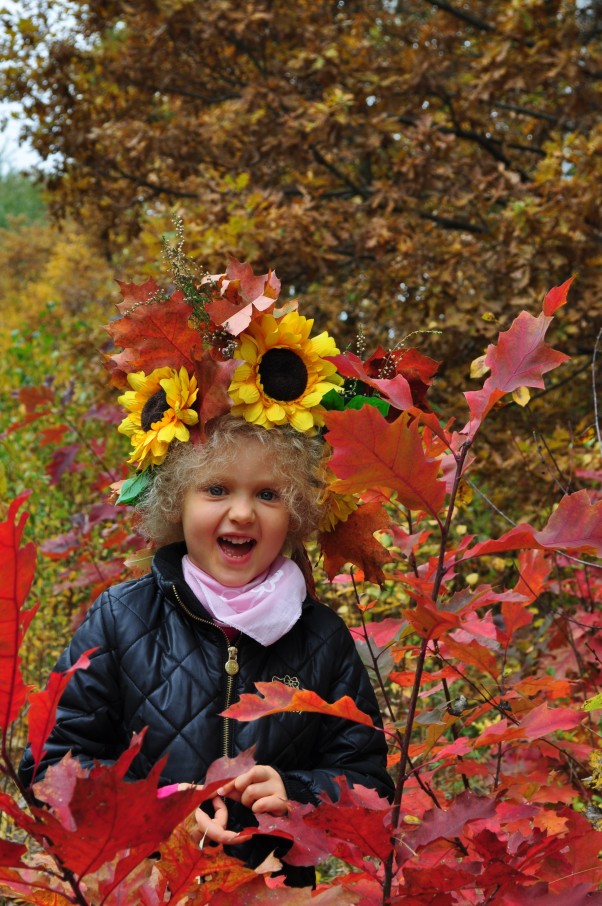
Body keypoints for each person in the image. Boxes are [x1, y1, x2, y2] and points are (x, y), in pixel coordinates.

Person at [19, 262, 393, 887]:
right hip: (143, 886)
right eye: (216, 489)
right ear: (176, 503)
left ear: (296, 513)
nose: (242, 512)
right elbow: (52, 768)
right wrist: (160, 811)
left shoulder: (322, 639)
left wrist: (296, 792)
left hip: (275, 891)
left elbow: (367, 783)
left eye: (269, 495)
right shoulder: (121, 619)